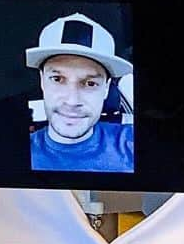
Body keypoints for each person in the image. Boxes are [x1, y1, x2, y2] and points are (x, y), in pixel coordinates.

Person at [26, 13, 135, 173]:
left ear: (106, 88)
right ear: (42, 80)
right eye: (57, 79)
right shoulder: (7, 156)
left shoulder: (130, 143)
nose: (72, 101)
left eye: (90, 83)